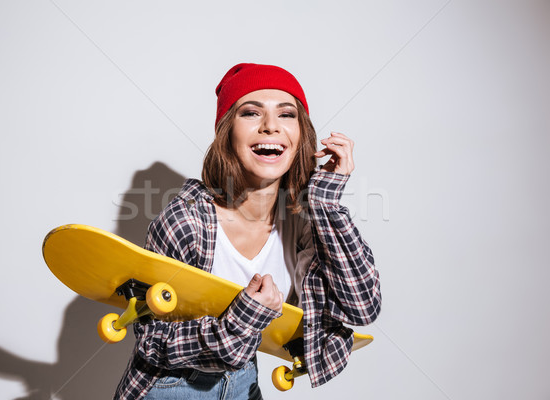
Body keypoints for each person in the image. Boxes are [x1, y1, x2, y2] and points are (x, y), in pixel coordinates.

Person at [114, 63, 381, 399]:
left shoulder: (303, 225)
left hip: (244, 383)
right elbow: (152, 342)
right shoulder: (187, 222)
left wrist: (325, 202)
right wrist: (242, 319)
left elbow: (362, 306)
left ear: (301, 137)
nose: (270, 126)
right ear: (228, 133)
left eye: (287, 115)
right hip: (172, 386)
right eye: (251, 113)